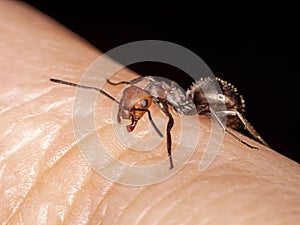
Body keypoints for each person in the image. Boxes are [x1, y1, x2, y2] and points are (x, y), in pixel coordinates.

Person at [1, 1, 299, 224]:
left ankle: (252, 137)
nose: (135, 114)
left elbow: (169, 119)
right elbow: (141, 86)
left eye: (138, 109)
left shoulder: (173, 101)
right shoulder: (151, 90)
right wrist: (119, 88)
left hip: (217, 102)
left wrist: (171, 160)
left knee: (185, 118)